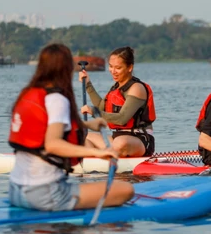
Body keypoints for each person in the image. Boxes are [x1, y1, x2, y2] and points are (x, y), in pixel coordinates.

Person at [9, 44, 133, 212]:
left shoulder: (29, 94)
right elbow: (53, 144)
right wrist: (98, 153)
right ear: (66, 68)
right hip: (44, 194)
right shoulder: (57, 99)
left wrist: (88, 124)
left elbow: (47, 127)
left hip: (15, 191)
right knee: (126, 189)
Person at [79, 46, 156, 157]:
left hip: (139, 140)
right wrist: (88, 85)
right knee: (81, 137)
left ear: (130, 67)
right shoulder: (116, 88)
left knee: (120, 143)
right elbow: (101, 108)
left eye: (118, 68)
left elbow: (121, 118)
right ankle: (93, 165)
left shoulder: (137, 88)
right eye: (110, 66)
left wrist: (94, 112)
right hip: (116, 139)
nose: (113, 71)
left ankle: (104, 156)